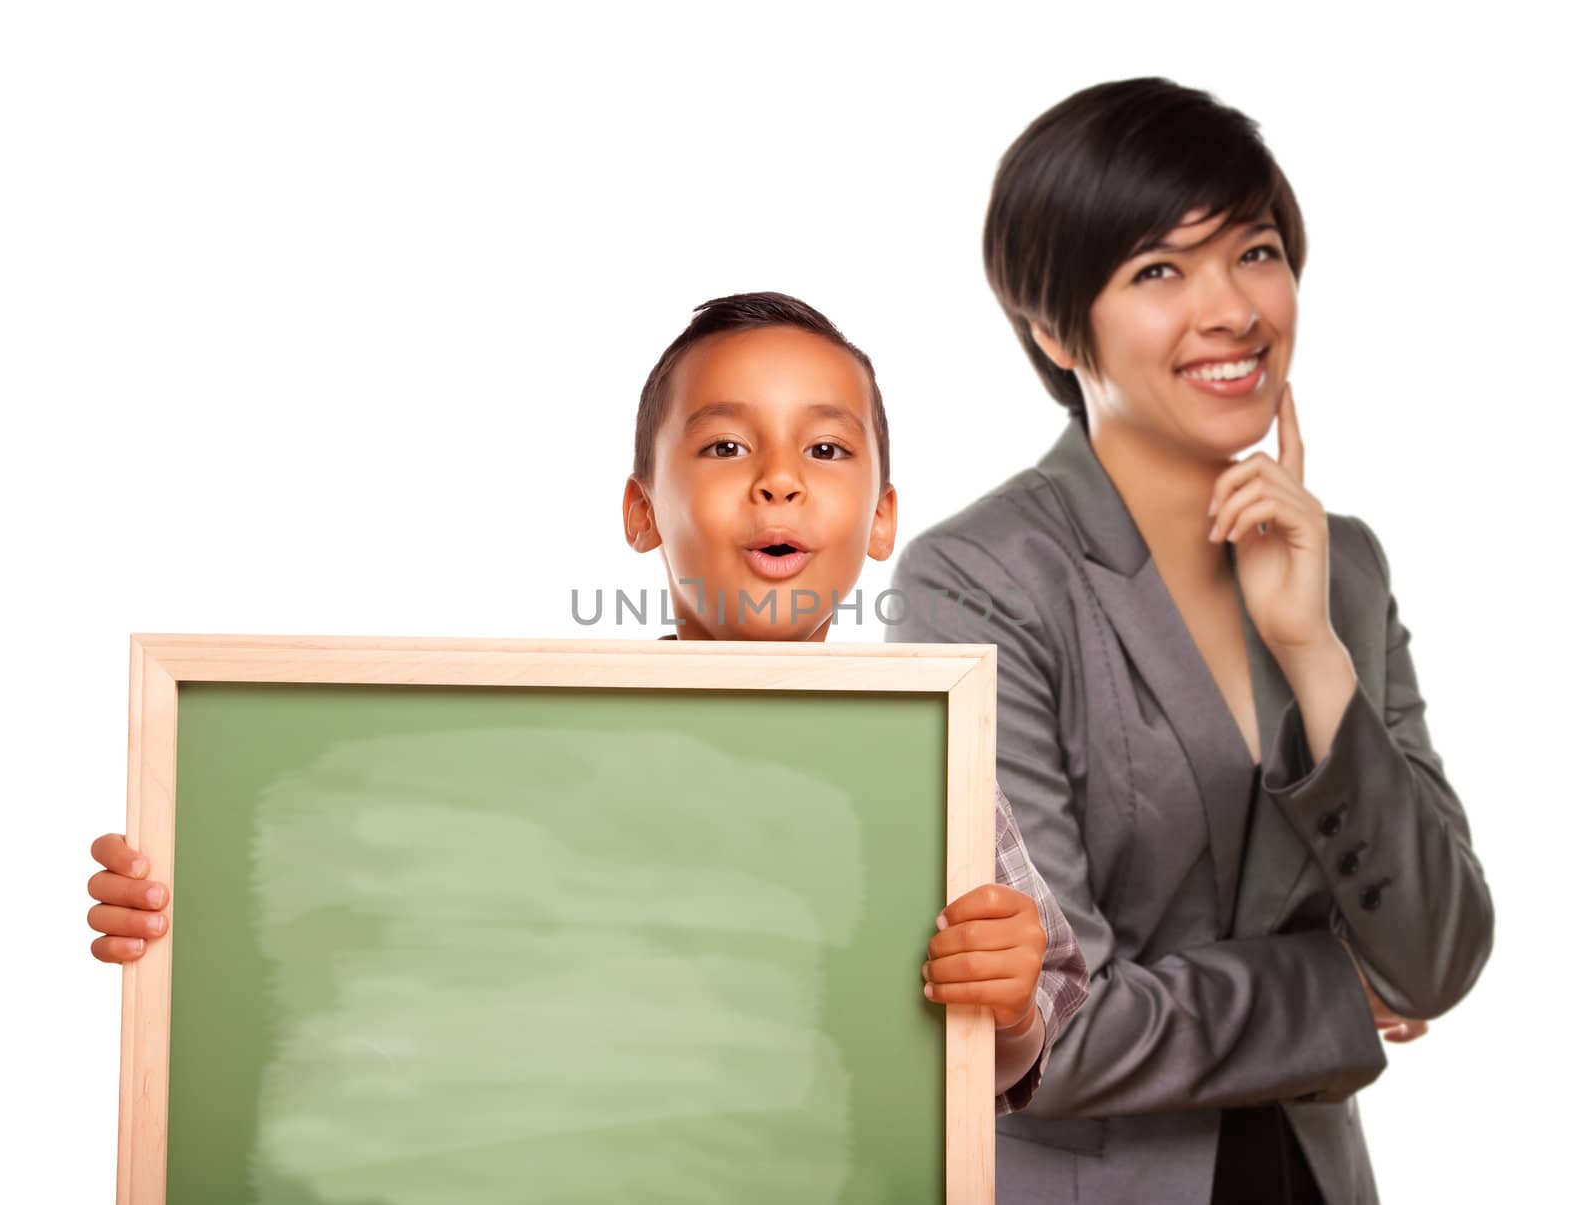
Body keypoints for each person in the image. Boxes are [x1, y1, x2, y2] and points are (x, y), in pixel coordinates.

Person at [87, 291, 1090, 1113]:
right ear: (641, 509)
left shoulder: (935, 763)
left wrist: (1008, 1013)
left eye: (824, 451)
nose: (779, 481)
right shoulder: (537, 748)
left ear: (881, 520)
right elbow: (369, 928)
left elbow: (1013, 1056)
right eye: (726, 448)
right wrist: (182, 913)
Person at [888, 79, 1493, 1203]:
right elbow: (1046, 1031)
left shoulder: (1341, 565)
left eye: (1255, 252)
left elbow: (1438, 952)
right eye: (1158, 270)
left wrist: (1312, 650)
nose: (1232, 310)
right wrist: (1328, 992)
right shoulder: (979, 578)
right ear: (1052, 325)